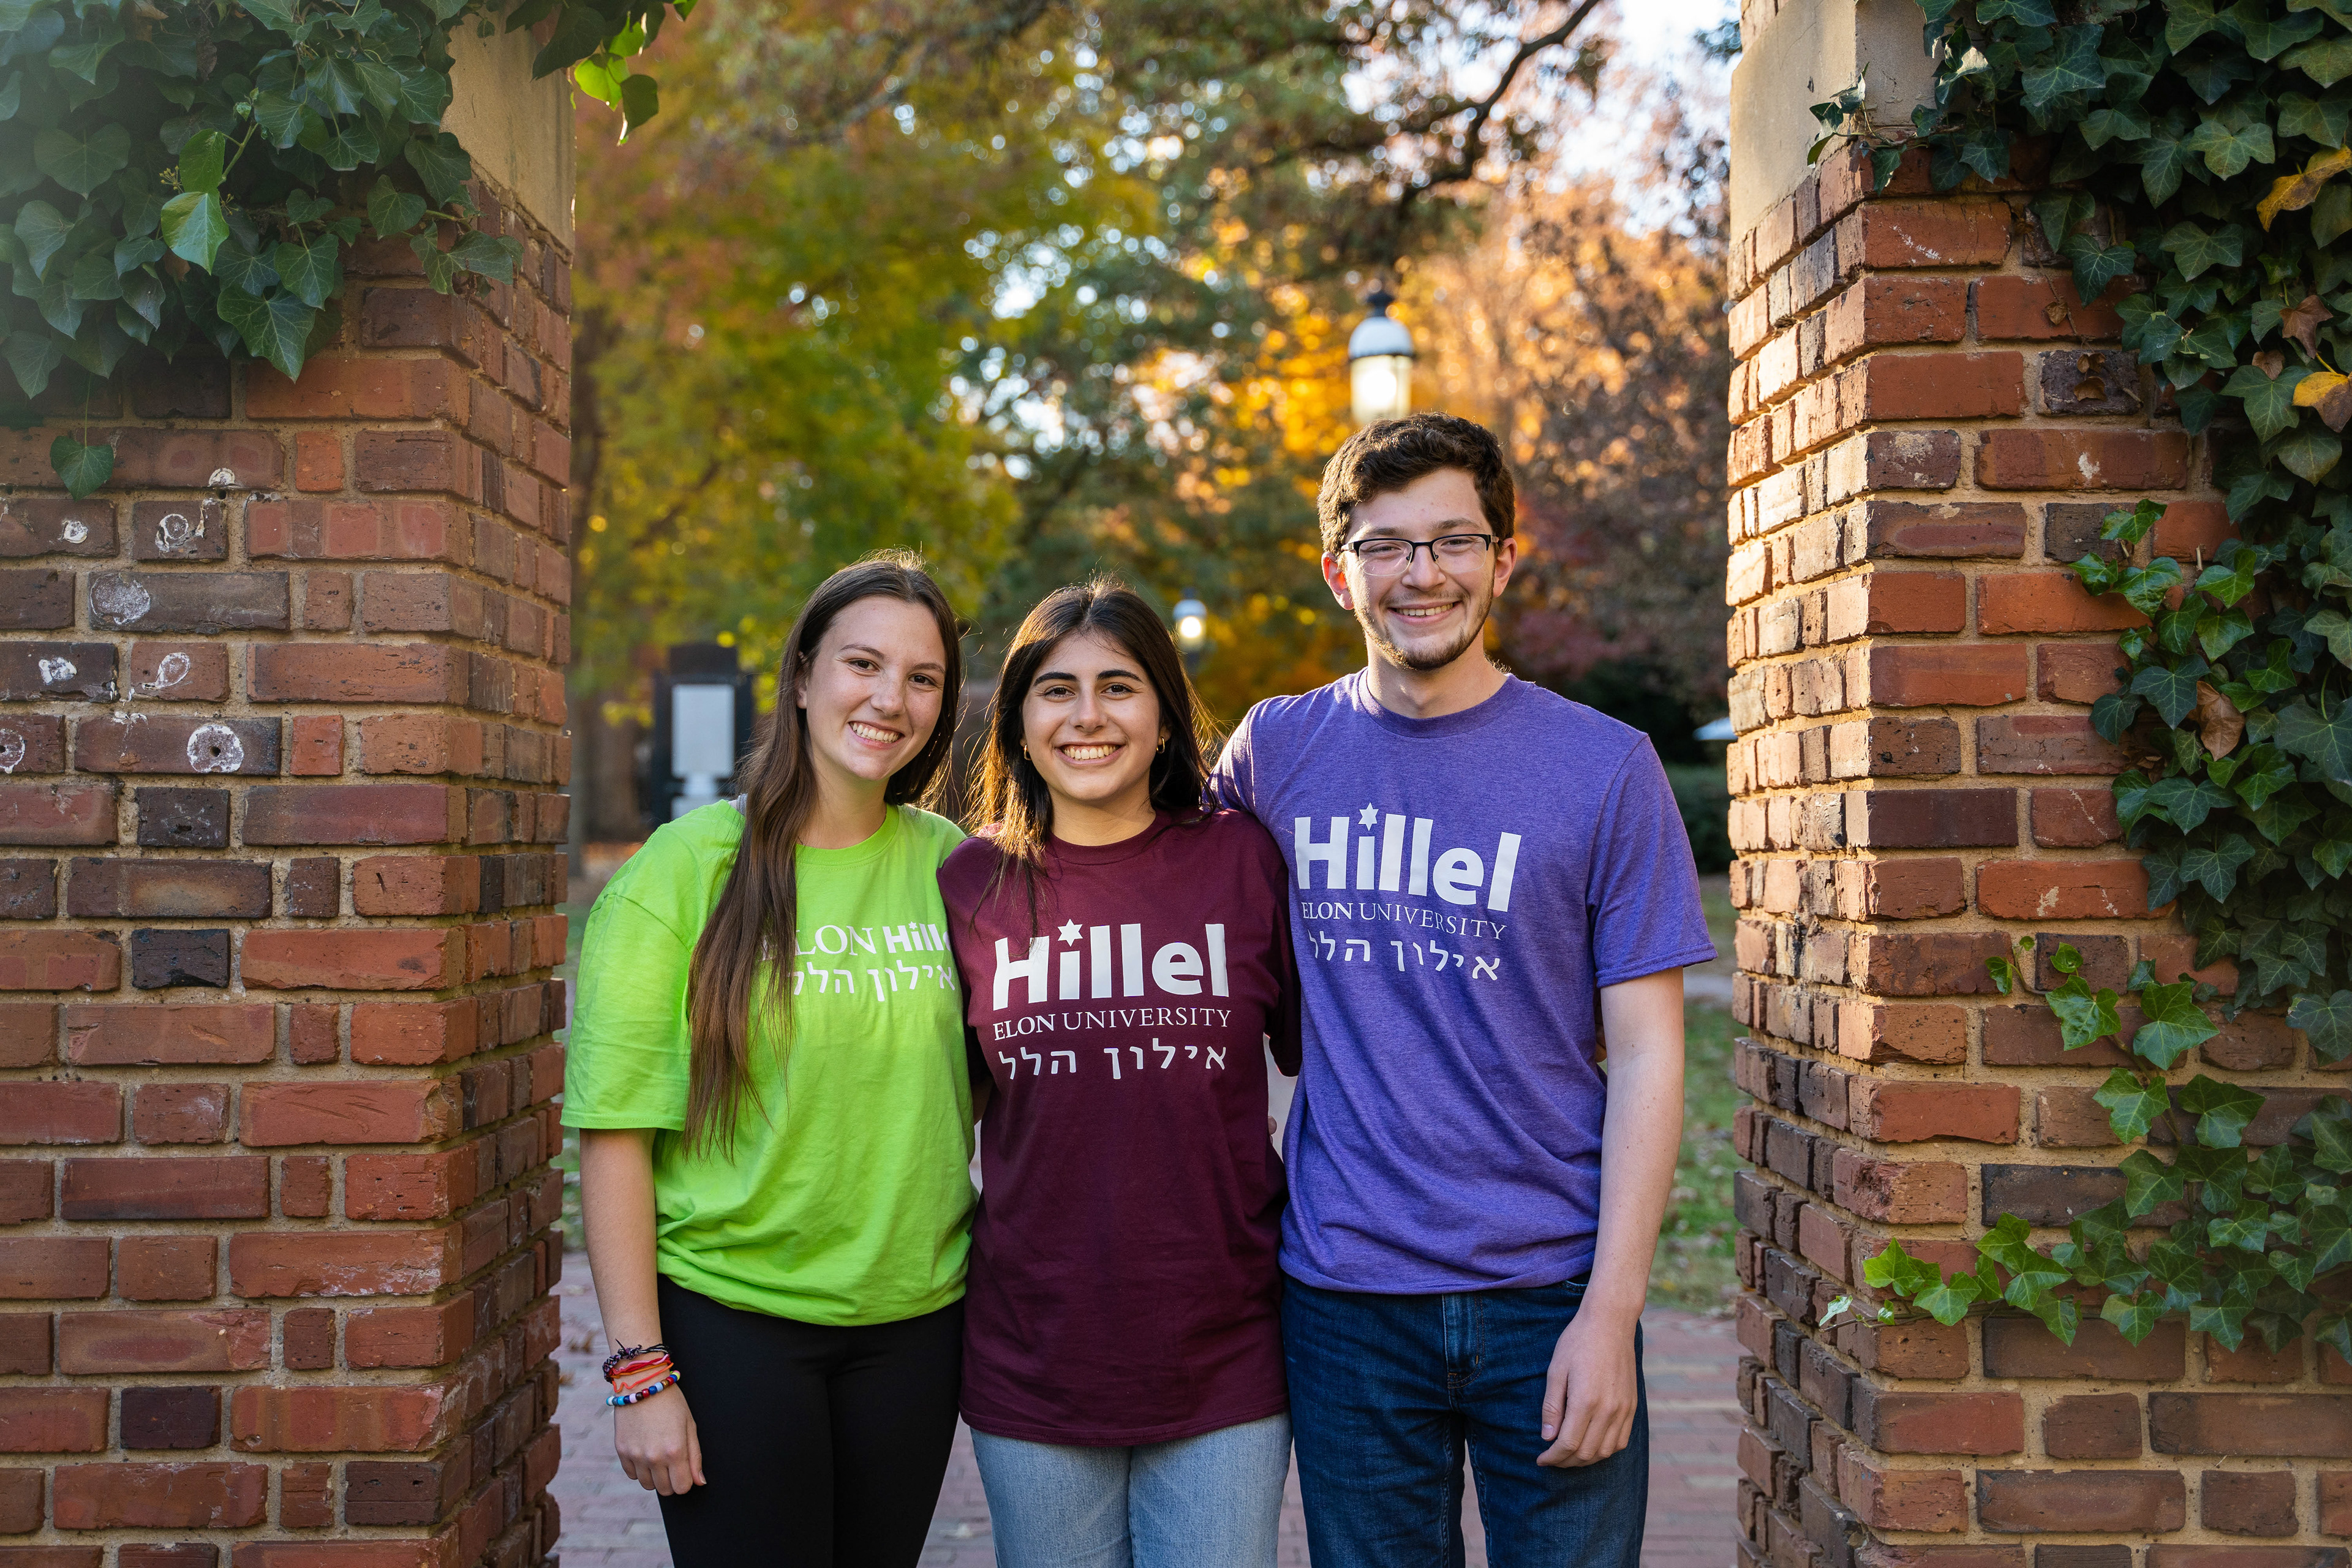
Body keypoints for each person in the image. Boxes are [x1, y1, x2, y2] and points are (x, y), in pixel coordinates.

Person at [1210, 413, 1714, 1567]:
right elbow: (1144, 874)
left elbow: (1647, 1054)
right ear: (1340, 574)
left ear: (1503, 560)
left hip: (1550, 1289)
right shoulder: (1275, 752)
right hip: (1345, 1299)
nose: (1421, 573)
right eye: (1387, 546)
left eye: (1452, 540)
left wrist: (1613, 1312)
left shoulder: (1604, 765)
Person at [563, 552, 976, 1568]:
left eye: (922, 679)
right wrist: (640, 1374)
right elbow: (616, 1130)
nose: (891, 700)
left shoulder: (954, 865)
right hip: (732, 1324)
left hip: (916, 1329)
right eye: (864, 665)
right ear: (802, 675)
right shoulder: (686, 867)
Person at [937, 579, 1301, 1568]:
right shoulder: (969, 884)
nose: (1088, 716)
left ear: (1165, 714)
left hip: (1224, 1351)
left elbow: (1328, 1060)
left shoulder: (1243, 862)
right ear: (1017, 720)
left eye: (1119, 686)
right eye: (1056, 690)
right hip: (1035, 1355)